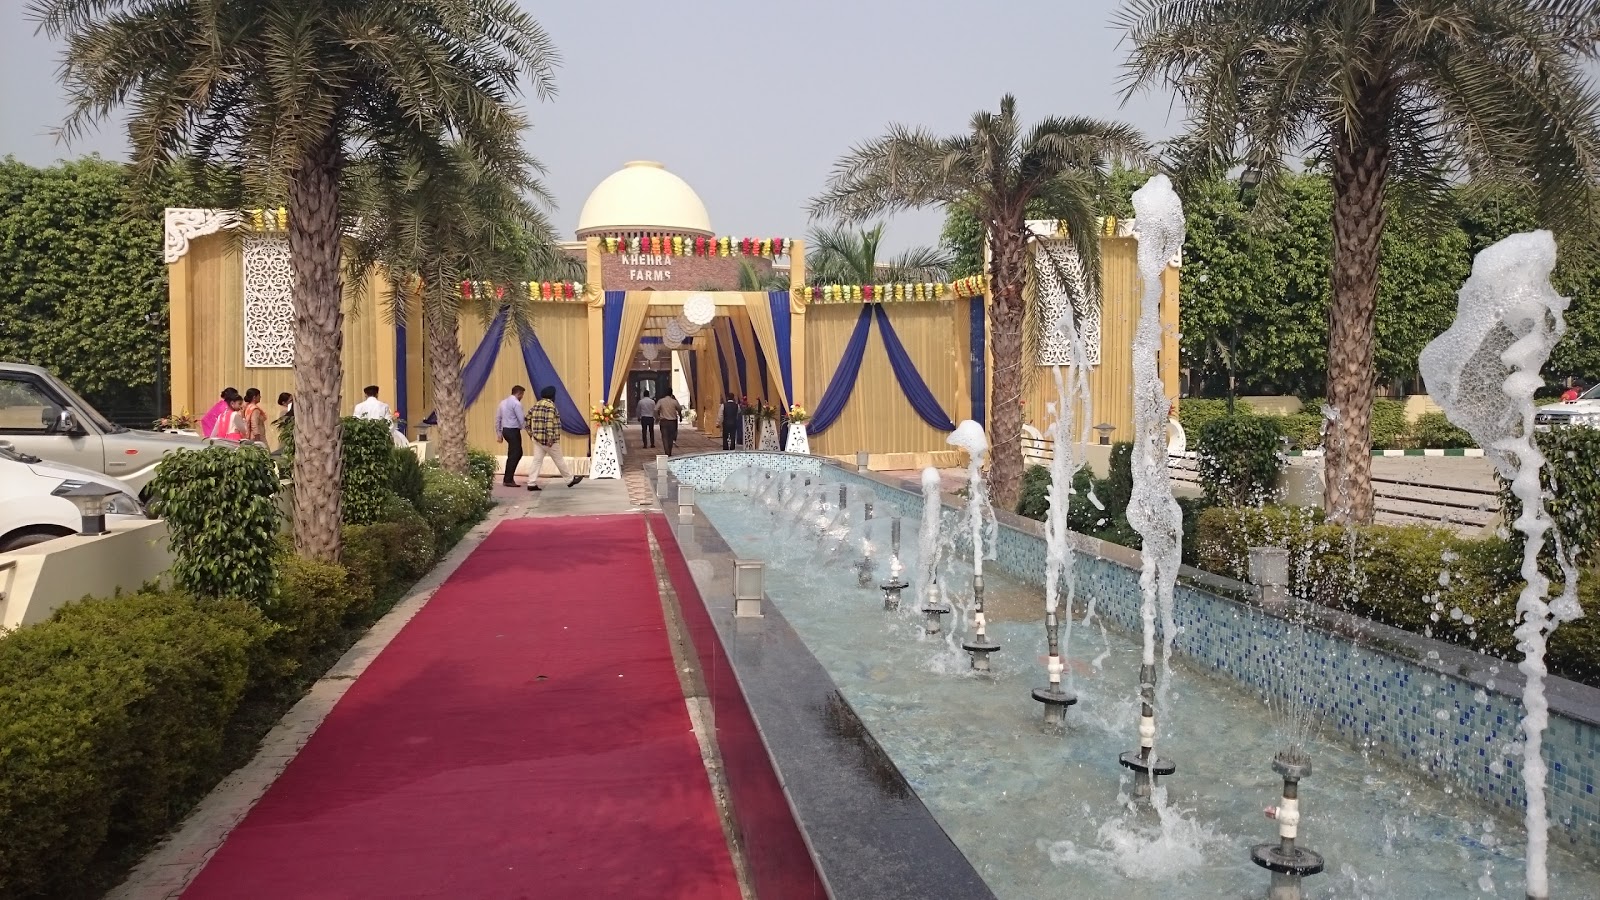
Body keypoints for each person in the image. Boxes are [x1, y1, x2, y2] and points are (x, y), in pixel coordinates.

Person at [525, 386, 584, 490]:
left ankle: (531, 483)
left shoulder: (536, 405)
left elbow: (526, 419)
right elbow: (549, 422)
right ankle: (569, 480)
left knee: (537, 461)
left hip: (537, 439)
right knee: (559, 460)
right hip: (549, 441)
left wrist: (531, 433)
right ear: (552, 396)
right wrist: (550, 437)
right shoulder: (550, 406)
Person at [496, 386, 526, 487]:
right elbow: (521, 420)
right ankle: (508, 480)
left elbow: (498, 419)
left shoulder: (502, 403)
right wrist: (529, 431)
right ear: (519, 393)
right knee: (516, 454)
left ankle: (508, 478)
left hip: (505, 430)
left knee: (514, 453)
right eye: (522, 395)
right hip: (513, 430)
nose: (522, 397)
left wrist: (499, 433)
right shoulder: (516, 403)